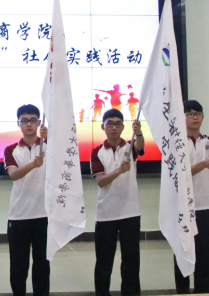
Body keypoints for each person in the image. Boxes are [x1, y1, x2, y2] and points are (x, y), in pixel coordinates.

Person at [174, 100, 209, 294]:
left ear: (203, 117)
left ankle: (203, 291)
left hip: (207, 206)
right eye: (190, 114)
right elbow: (181, 174)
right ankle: (182, 291)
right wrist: (203, 164)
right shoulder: (177, 143)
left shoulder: (208, 142)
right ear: (182, 117)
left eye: (198, 114)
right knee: (183, 251)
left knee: (205, 253)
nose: (195, 117)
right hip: (184, 206)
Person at [90, 108, 145, 296]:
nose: (114, 128)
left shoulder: (129, 147)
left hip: (130, 212)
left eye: (118, 124)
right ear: (103, 127)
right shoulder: (97, 152)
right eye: (110, 124)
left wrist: (138, 132)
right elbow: (101, 181)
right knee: (104, 261)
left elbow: (140, 146)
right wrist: (119, 171)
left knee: (131, 260)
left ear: (123, 127)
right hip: (106, 214)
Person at [3, 104, 49, 296]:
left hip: (44, 215)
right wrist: (32, 165)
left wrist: (49, 138)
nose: (29, 124)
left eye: (33, 120)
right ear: (19, 123)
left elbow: (65, 161)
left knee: (42, 265)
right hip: (19, 216)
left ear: (39, 123)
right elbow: (13, 175)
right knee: (18, 266)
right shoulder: (11, 150)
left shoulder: (49, 147)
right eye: (24, 120)